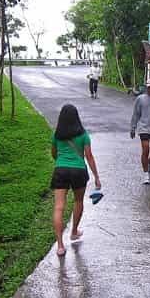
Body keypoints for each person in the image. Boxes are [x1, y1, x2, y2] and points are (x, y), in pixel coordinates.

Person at [50, 104, 101, 256]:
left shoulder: (57, 135)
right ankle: (73, 232)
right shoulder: (83, 135)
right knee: (78, 201)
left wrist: (62, 162)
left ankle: (60, 246)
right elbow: (89, 156)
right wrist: (97, 177)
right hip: (79, 170)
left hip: (61, 170)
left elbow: (54, 154)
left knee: (59, 207)